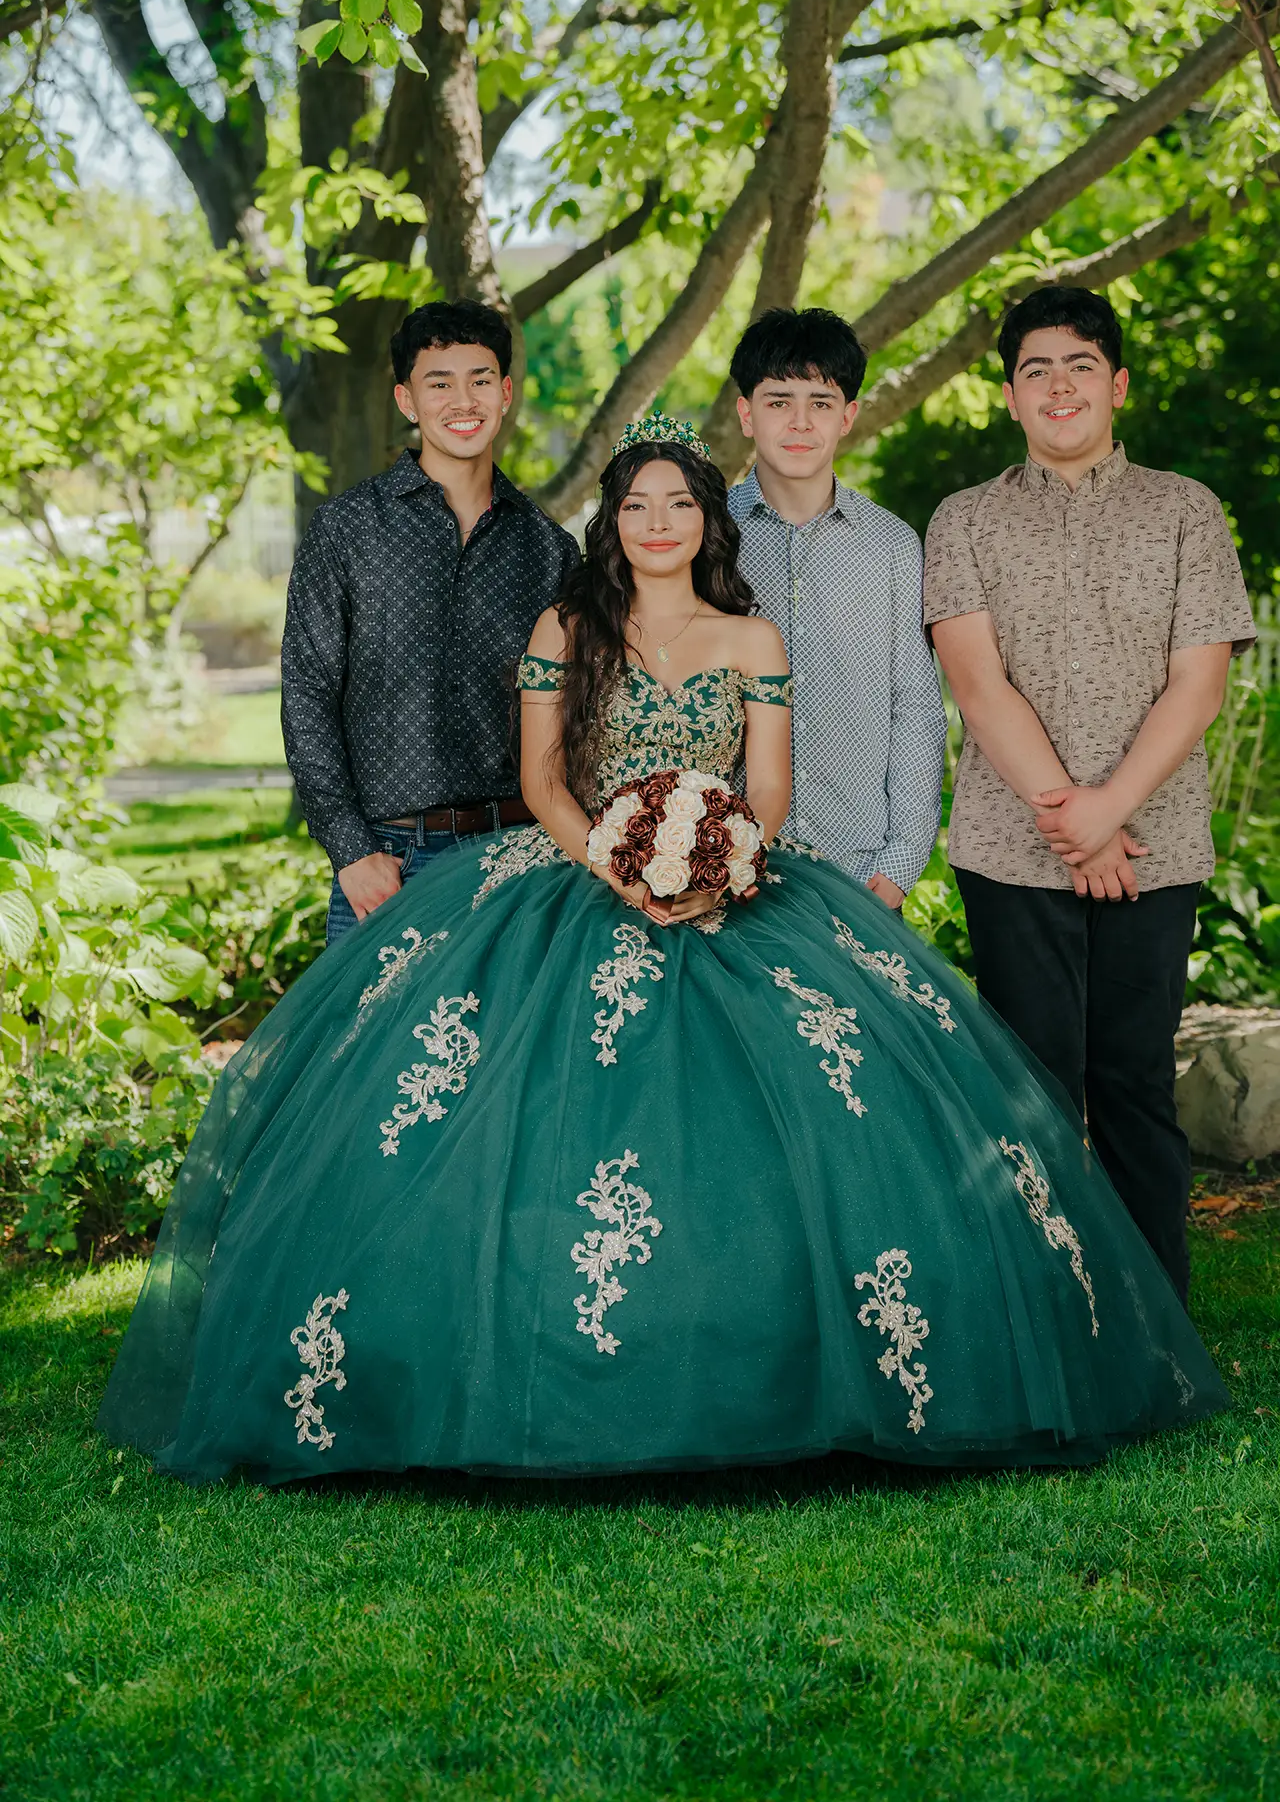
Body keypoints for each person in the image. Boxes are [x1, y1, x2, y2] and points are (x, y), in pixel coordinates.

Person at [98, 414, 1226, 1486]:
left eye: (677, 503)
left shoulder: (751, 637)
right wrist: (616, 861)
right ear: (612, 522)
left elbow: (770, 788)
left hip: (737, 886)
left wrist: (721, 860)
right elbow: (539, 779)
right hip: (572, 880)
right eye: (635, 505)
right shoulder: (564, 628)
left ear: (705, 520)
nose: (655, 523)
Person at [924, 286, 1256, 1305]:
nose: (1057, 385)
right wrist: (1078, 820)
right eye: (1034, 369)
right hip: (1007, 848)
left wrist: (1112, 808)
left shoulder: (1182, 512)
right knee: (1029, 1088)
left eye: (1077, 366)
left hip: (1150, 850)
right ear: (1009, 396)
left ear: (1113, 383)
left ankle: (1152, 1317)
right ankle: (1041, 1314)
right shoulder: (963, 519)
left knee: (1130, 1084)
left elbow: (1198, 682)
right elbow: (975, 685)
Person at [282, 299, 579, 946]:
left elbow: (577, 715)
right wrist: (350, 850)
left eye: (479, 380)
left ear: (504, 394)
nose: (461, 400)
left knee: (512, 1049)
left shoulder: (550, 551)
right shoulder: (348, 531)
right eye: (438, 384)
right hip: (390, 865)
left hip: (523, 860)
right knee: (376, 1050)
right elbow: (306, 694)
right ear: (407, 401)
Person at [727, 307, 948, 907]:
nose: (800, 422)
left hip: (857, 869)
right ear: (746, 414)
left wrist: (901, 863)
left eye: (820, 402)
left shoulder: (893, 546)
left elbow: (917, 710)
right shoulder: (705, 537)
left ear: (848, 416)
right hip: (723, 864)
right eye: (778, 401)